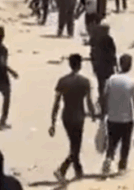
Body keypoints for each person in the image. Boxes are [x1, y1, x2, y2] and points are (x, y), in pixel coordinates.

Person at [50, 54, 97, 183]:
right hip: (79, 116)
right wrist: (93, 114)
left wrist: (53, 122)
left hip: (66, 116)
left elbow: (56, 103)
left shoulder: (62, 81)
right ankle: (62, 170)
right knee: (76, 146)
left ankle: (78, 170)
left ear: (70, 64)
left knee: (74, 143)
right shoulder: (85, 82)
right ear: (80, 65)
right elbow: (89, 102)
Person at [102, 54, 134, 175]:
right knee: (125, 143)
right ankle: (122, 167)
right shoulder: (132, 82)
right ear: (130, 65)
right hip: (126, 118)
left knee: (112, 142)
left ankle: (109, 159)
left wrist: (104, 113)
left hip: (112, 117)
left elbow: (104, 97)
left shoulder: (111, 79)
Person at [90, 24, 118, 112]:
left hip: (99, 67)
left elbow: (93, 54)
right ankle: (108, 104)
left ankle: (103, 105)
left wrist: (94, 66)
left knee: (101, 86)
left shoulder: (96, 39)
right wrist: (115, 64)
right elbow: (113, 52)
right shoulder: (109, 39)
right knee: (109, 85)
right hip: (108, 66)